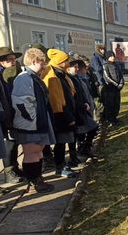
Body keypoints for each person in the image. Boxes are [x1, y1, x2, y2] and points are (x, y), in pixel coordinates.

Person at [11, 48, 55, 192]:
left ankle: (38, 178)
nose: (44, 66)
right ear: (35, 61)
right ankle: (34, 182)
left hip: (38, 123)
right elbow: (22, 102)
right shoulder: (24, 78)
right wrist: (33, 119)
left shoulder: (34, 77)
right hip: (30, 124)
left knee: (38, 152)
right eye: (42, 63)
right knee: (31, 152)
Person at [42, 49, 79, 178]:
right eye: (66, 60)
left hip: (66, 112)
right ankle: (60, 166)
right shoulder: (52, 75)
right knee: (61, 141)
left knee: (64, 140)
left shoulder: (61, 73)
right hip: (59, 114)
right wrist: (67, 116)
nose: (68, 63)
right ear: (60, 62)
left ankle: (62, 164)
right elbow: (55, 99)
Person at [0, 46, 24, 183]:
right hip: (4, 113)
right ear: (1, 62)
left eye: (14, 59)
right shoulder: (1, 75)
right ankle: (9, 172)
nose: (13, 62)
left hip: (11, 111)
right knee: (8, 143)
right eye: (9, 60)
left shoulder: (12, 73)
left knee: (14, 142)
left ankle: (15, 167)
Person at [71, 57, 99, 158]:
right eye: (85, 69)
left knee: (90, 128)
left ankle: (85, 148)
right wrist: (84, 104)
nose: (86, 71)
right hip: (80, 109)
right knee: (85, 130)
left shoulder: (83, 79)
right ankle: (82, 148)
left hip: (86, 107)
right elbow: (78, 95)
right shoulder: (75, 80)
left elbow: (88, 93)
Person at [102, 51, 124, 126]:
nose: (113, 58)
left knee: (117, 103)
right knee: (110, 104)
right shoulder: (105, 65)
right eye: (111, 56)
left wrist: (121, 83)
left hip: (117, 88)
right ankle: (110, 119)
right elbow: (107, 77)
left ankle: (115, 117)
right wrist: (116, 84)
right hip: (110, 88)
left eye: (113, 56)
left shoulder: (117, 65)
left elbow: (121, 75)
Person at [90, 44, 106, 121]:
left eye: (104, 49)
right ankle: (99, 118)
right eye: (102, 49)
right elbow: (97, 69)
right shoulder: (95, 58)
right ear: (99, 49)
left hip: (103, 80)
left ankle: (103, 116)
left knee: (104, 99)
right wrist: (104, 66)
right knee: (101, 100)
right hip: (100, 81)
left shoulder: (102, 57)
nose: (104, 51)